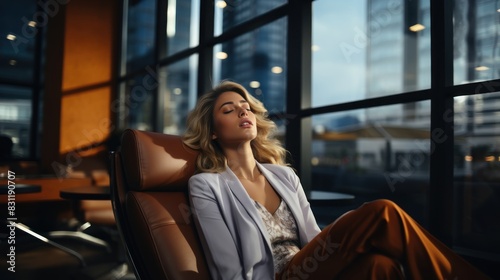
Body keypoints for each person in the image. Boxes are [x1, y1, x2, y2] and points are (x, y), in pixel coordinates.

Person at [183, 81, 490, 279]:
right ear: (212, 130)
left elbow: (314, 236)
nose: (242, 111)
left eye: (246, 106)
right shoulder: (207, 185)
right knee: (382, 211)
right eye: (229, 109)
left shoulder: (284, 175)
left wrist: (344, 232)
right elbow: (227, 269)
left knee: (379, 267)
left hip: (311, 266)